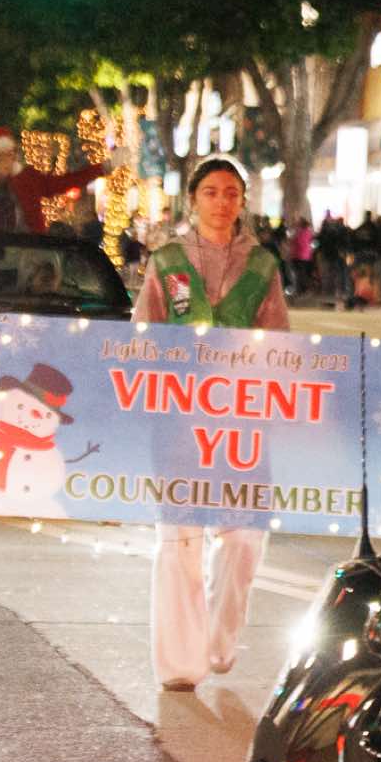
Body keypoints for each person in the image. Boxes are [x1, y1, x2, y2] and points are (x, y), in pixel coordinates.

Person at [131, 155, 288, 692]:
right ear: (193, 200)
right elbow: (143, 333)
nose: (222, 202)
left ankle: (220, 641)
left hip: (242, 423)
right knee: (180, 538)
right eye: (211, 192)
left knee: (244, 537)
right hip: (177, 419)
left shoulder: (262, 266)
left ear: (242, 202)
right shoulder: (167, 261)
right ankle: (179, 663)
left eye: (231, 193)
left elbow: (281, 343)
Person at [0, 126, 105, 233]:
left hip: (27, 253)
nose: (7, 160)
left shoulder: (26, 180)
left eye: (10, 155)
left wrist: (100, 168)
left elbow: (63, 182)